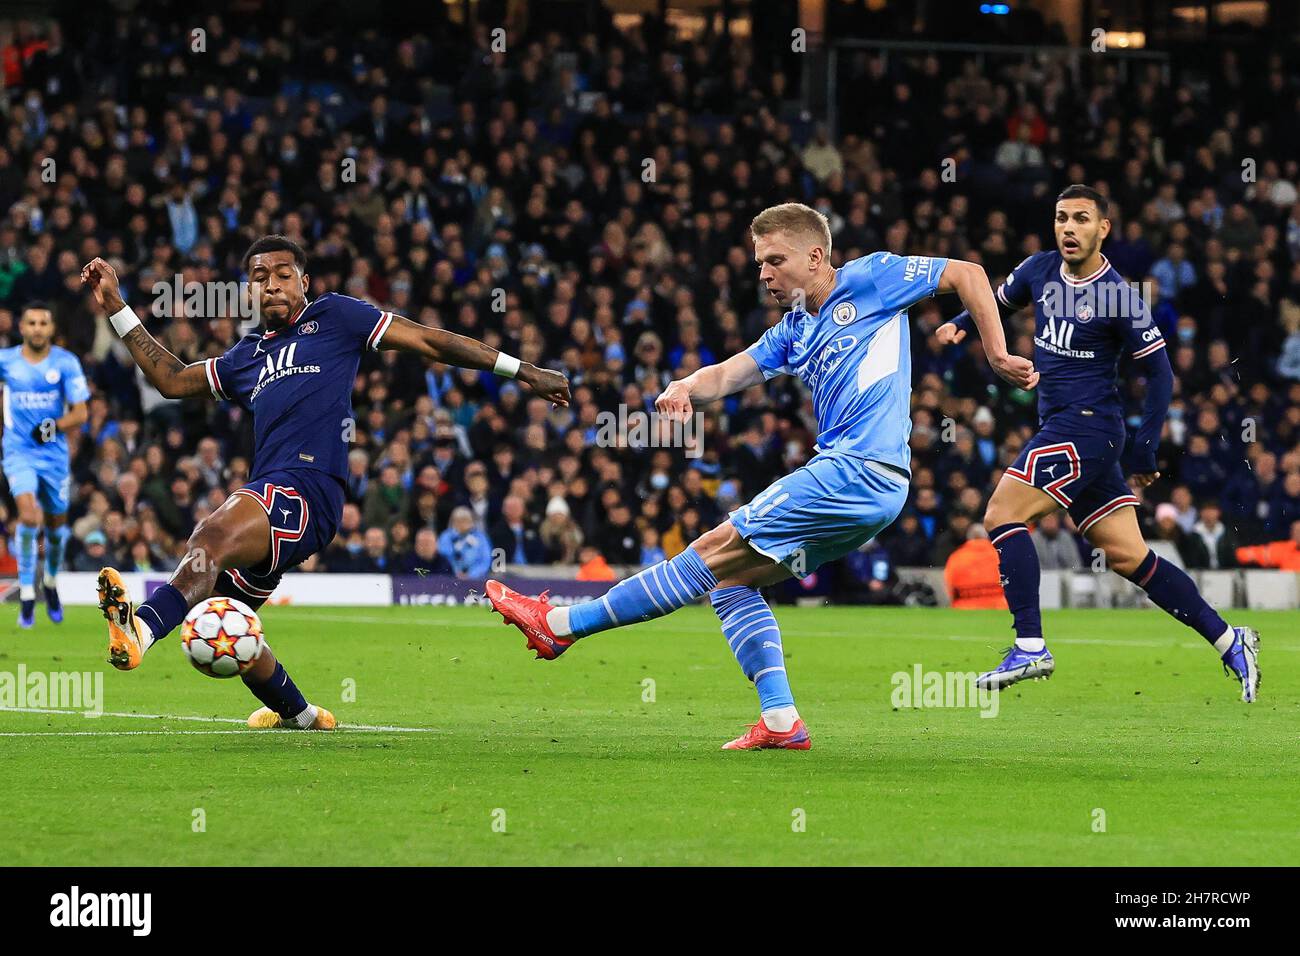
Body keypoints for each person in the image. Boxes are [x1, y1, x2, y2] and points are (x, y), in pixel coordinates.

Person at [487, 201, 1036, 750]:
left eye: (775, 260)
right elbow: (729, 372)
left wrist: (997, 353)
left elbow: (967, 273)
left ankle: (560, 626)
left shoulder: (871, 277)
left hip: (856, 470)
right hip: (868, 485)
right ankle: (780, 721)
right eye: (758, 263)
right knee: (731, 583)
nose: (764, 274)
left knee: (710, 551)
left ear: (816, 257)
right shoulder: (794, 329)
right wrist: (683, 387)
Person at [81, 238, 568, 729]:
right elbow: (172, 379)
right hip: (273, 502)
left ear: (305, 282)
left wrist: (522, 370)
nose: (271, 283)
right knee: (225, 622)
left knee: (209, 537)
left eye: (283, 273)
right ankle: (302, 716)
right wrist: (119, 307)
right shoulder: (246, 357)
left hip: (308, 491)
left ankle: (138, 630)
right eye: (259, 276)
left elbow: (429, 340)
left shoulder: (335, 318)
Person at [938, 185, 1259, 701]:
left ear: (1102, 228)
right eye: (1062, 218)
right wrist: (958, 323)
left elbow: (1160, 376)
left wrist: (1147, 447)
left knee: (1000, 515)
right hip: (1070, 428)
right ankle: (1229, 638)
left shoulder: (1118, 298)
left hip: (1086, 429)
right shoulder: (1039, 270)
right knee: (1129, 556)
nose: (1069, 228)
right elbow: (996, 301)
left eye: (1081, 219)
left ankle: (1030, 644)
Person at [0, 302, 89, 626]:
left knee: (55, 526)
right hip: (18, 451)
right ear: (21, 328)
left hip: (53, 455)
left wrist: (53, 426)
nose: (37, 328)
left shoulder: (65, 363)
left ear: (51, 329)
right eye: (31, 322)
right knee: (26, 514)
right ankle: (26, 591)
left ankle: (49, 580)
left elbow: (81, 413)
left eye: (43, 323)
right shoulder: (6, 361)